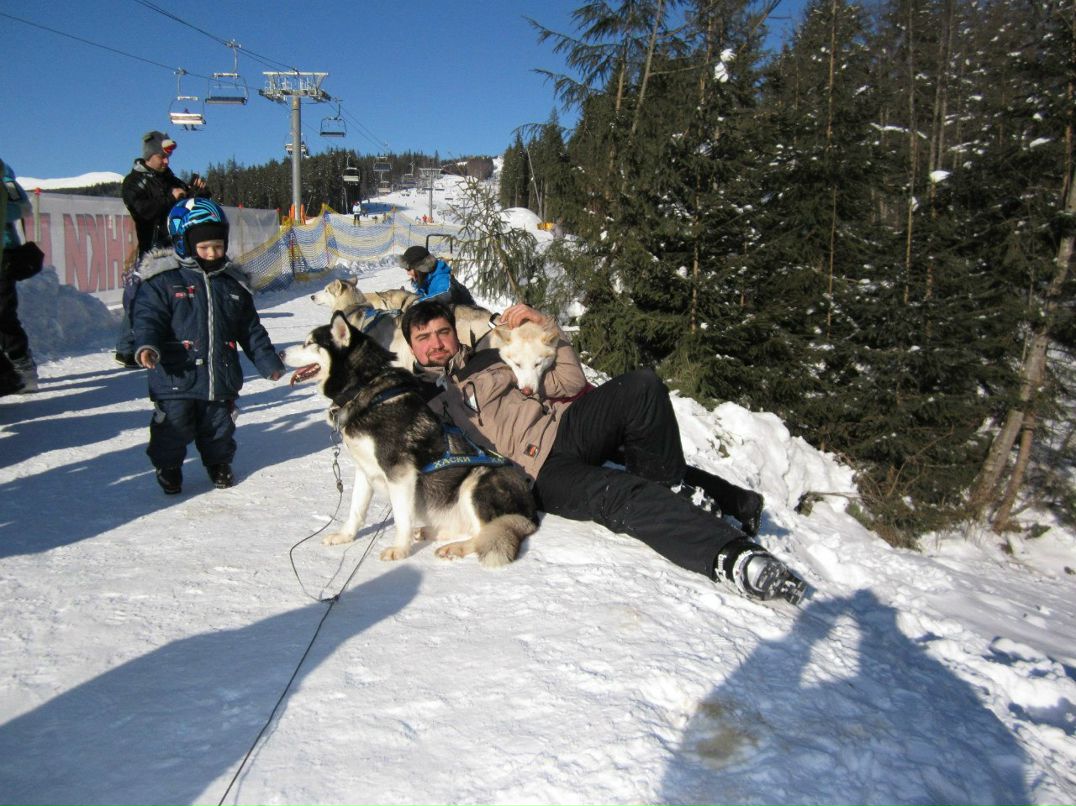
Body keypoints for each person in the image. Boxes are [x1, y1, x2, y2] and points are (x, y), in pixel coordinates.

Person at [401, 300, 808, 605]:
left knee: (642, 386)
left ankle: (687, 492)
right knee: (622, 494)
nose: (437, 344)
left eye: (442, 332)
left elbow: (569, 380)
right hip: (537, 471)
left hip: (568, 425)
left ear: (455, 332)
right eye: (424, 338)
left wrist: (545, 324)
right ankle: (732, 556)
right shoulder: (422, 401)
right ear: (411, 349)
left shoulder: (493, 355)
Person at [132, 198, 284, 495]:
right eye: (204, 248)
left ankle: (218, 464)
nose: (213, 253)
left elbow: (251, 330)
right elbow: (148, 317)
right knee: (173, 428)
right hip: (177, 375)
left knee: (219, 428)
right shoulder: (163, 281)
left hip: (219, 374)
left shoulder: (231, 284)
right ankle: (168, 467)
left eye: (218, 246)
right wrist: (147, 345)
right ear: (183, 244)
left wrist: (268, 363)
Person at [115, 130, 209, 368]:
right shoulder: (134, 181)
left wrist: (198, 194)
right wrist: (171, 198)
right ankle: (127, 347)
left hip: (177, 246)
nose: (166, 161)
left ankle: (177, 341)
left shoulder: (169, 177)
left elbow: (186, 202)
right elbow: (143, 210)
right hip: (153, 249)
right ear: (149, 156)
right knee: (139, 297)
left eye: (168, 157)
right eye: (161, 157)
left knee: (181, 295)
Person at [0, 157, 44, 396]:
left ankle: (20, 362)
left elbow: (22, 207)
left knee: (3, 312)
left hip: (4, 254)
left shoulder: (4, 175)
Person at [398, 245, 475, 306]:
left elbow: (445, 293)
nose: (408, 273)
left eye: (409, 269)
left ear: (421, 268)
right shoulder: (426, 279)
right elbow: (423, 295)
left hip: (466, 319)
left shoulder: (441, 278)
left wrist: (417, 302)